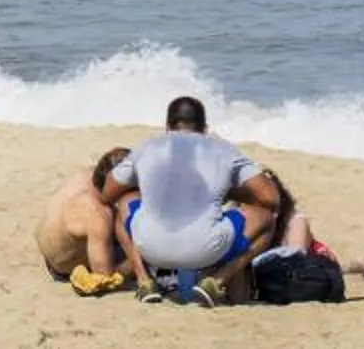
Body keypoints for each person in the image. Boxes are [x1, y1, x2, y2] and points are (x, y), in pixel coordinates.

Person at [101, 96, 285, 305]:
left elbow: (107, 193)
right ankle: (217, 281)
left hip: (150, 249)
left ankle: (144, 280)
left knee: (125, 200)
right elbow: (271, 198)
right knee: (266, 218)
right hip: (207, 251)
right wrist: (230, 192)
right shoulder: (224, 149)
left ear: (167, 127)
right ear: (205, 128)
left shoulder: (147, 147)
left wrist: (149, 185)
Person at [36, 148, 134, 294]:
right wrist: (135, 263)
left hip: (52, 247)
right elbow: (104, 276)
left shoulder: (87, 176)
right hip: (66, 265)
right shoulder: (98, 213)